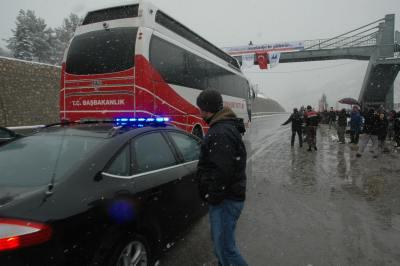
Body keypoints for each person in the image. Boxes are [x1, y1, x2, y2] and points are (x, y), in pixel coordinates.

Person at [196, 89, 248, 266]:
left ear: (206, 109)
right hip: (228, 197)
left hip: (226, 200)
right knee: (222, 246)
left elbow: (222, 171)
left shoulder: (220, 132)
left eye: (200, 108)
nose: (199, 112)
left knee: (225, 249)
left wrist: (213, 196)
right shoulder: (223, 127)